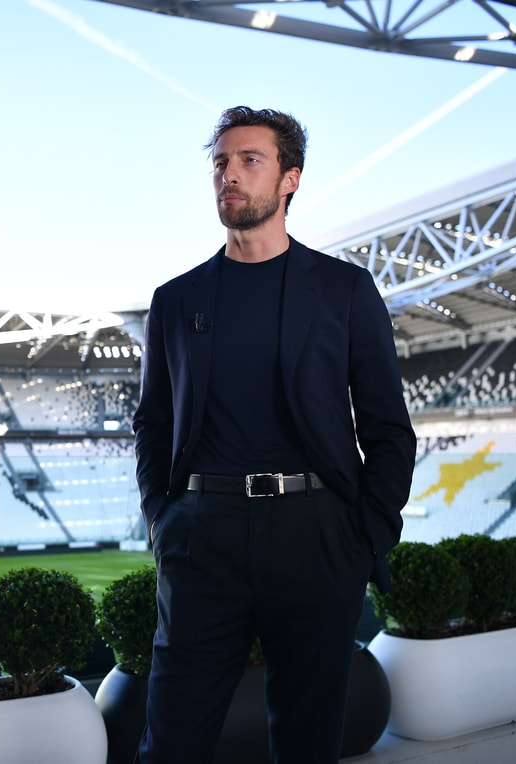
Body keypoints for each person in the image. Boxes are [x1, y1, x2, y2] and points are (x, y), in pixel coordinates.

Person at [131, 106, 417, 763]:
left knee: (308, 743)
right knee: (171, 741)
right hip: (202, 537)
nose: (229, 175)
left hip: (316, 536)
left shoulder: (345, 290)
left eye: (249, 160)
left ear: (290, 179)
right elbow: (153, 421)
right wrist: (161, 520)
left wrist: (365, 537)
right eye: (220, 163)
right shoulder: (176, 299)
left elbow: (387, 426)